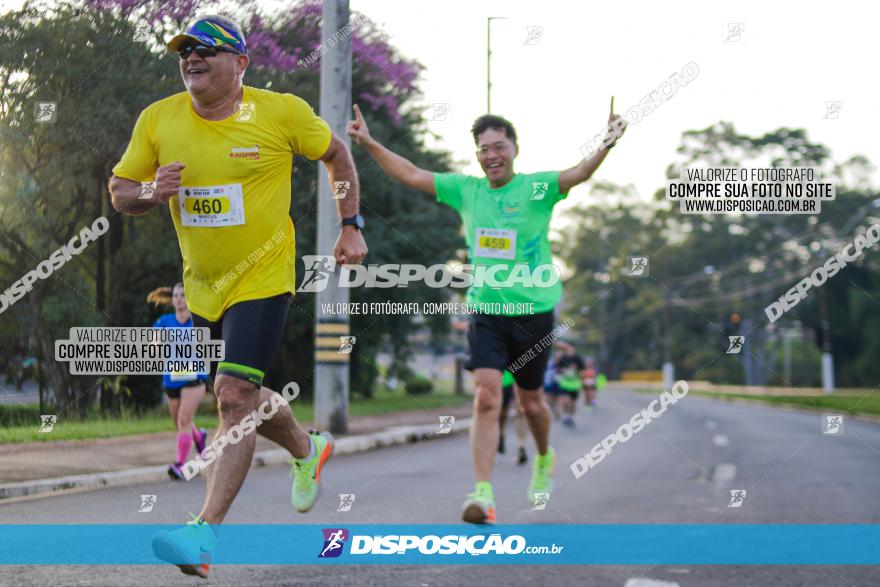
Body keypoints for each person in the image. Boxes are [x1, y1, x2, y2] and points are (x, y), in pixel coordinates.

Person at [109, 15, 367, 578]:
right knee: (239, 396)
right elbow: (121, 190)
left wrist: (351, 224)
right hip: (203, 287)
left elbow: (338, 157)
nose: (191, 58)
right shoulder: (159, 119)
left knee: (230, 396)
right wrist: (152, 191)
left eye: (206, 50)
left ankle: (202, 536)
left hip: (264, 277)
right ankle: (308, 447)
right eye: (185, 51)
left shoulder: (280, 113)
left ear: (241, 63)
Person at [348, 98, 626, 523]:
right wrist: (369, 144)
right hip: (487, 310)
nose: (491, 155)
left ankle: (544, 458)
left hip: (534, 312)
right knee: (485, 395)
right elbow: (410, 173)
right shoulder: (467, 190)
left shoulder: (536, 188)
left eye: (499, 146)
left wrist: (606, 143)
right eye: (483, 148)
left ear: (515, 148)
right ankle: (482, 494)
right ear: (476, 154)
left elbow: (579, 173)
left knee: (532, 404)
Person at [148, 283, 209, 480]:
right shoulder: (165, 321)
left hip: (194, 377)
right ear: (172, 299)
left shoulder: (197, 321)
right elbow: (155, 337)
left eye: (183, 295)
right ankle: (200, 439)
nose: (179, 299)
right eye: (176, 295)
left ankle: (180, 465)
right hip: (171, 378)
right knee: (180, 423)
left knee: (184, 419)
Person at [498, 369, 528, 465]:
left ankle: (521, 447)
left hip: (517, 378)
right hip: (506, 379)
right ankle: (501, 435)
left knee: (521, 412)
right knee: (502, 414)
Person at [554, 346, 585, 428]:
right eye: (568, 349)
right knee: (565, 400)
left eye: (571, 349)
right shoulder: (563, 358)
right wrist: (564, 371)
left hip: (575, 384)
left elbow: (582, 371)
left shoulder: (578, 358)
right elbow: (557, 369)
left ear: (574, 349)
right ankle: (566, 416)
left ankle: (571, 416)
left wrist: (576, 371)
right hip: (565, 383)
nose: (570, 351)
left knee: (573, 402)